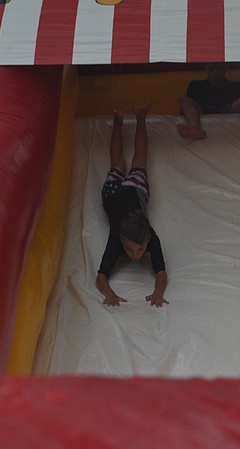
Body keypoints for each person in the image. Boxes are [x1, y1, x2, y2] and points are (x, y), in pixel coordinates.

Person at [96, 105, 169, 308]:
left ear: (146, 240)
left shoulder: (151, 237)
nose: (134, 255)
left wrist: (158, 292)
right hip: (133, 190)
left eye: (139, 250)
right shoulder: (116, 240)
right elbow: (101, 276)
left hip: (113, 193)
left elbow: (161, 271)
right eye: (129, 249)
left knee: (120, 163)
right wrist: (109, 293)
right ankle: (119, 119)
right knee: (136, 161)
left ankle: (140, 117)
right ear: (122, 239)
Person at [177, 62, 240, 140]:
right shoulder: (195, 85)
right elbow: (189, 106)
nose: (215, 72)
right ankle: (195, 127)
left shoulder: (237, 86)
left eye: (219, 68)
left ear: (226, 67)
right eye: (211, 68)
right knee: (185, 100)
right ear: (205, 67)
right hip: (202, 109)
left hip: (228, 108)